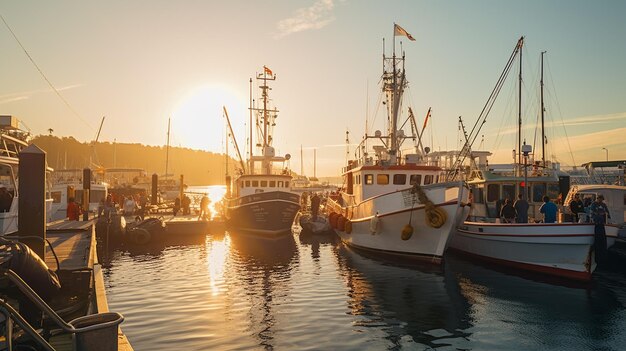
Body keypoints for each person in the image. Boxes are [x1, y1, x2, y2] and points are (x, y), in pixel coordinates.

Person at [590, 194, 611, 264]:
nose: (600, 200)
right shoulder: (594, 204)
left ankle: (602, 255)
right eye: (599, 199)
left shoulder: (603, 205)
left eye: (601, 199)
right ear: (597, 198)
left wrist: (608, 218)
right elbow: (592, 213)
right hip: (596, 224)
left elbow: (607, 213)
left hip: (602, 224)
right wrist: (598, 214)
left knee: (602, 241)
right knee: (598, 240)